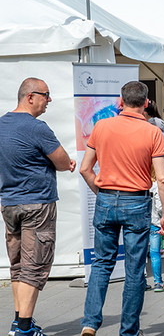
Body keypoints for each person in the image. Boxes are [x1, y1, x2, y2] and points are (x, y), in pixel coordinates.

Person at [79, 81, 164, 336]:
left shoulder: (101, 126)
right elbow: (163, 178)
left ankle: (90, 322)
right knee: (134, 269)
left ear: (120, 102)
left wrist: (102, 193)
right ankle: (129, 330)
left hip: (107, 198)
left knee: (101, 263)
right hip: (137, 201)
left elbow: (85, 169)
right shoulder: (152, 132)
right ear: (146, 103)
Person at [0, 78, 75, 336]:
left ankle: (20, 321)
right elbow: (62, 160)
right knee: (35, 266)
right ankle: (23, 328)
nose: (49, 100)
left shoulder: (1, 124)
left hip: (9, 203)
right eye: (46, 95)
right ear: (30, 96)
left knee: (18, 265)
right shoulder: (37, 128)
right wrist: (68, 164)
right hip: (37, 203)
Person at [142, 105, 164, 294]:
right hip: (154, 218)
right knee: (154, 251)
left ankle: (141, 281)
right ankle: (158, 282)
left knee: (137, 251)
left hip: (137, 213)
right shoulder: (158, 172)